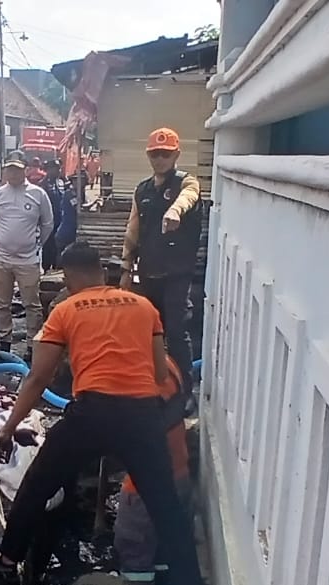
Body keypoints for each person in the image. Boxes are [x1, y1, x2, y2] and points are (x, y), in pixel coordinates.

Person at [0, 243, 210, 585]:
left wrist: (8, 429)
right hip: (141, 416)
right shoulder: (144, 306)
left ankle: (7, 564)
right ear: (102, 271)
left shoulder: (65, 310)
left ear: (68, 277)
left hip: (90, 413)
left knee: (36, 486)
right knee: (166, 508)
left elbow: (38, 378)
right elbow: (159, 373)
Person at [120, 127, 201, 394]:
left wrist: (175, 211)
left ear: (176, 155)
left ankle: (183, 391)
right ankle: (151, 385)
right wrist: (126, 267)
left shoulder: (186, 182)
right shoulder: (142, 190)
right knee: (149, 331)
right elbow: (133, 229)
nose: (160, 159)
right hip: (149, 272)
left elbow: (189, 197)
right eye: (155, 154)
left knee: (176, 332)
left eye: (165, 154)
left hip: (176, 274)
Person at [113, 355, 190, 585]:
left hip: (144, 489)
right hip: (178, 476)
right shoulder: (166, 364)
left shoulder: (137, 374)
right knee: (164, 550)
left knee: (134, 554)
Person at [0, 151, 54, 343]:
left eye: (17, 170)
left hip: (28, 259)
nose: (13, 174)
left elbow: (48, 223)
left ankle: (33, 343)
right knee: (1, 304)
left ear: (25, 170)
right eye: (9, 170)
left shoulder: (38, 194)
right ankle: (4, 341)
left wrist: (35, 243)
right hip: (1, 257)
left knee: (32, 305)